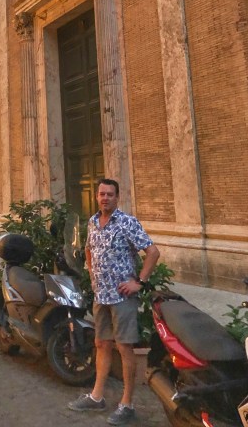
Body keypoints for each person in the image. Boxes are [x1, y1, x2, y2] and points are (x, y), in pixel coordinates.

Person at [68, 179, 160, 425]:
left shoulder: (127, 222)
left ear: (117, 197)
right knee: (101, 343)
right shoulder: (92, 222)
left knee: (125, 347)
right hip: (101, 296)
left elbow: (153, 252)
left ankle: (127, 404)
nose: (105, 198)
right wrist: (91, 271)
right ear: (97, 197)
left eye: (110, 194)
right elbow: (88, 248)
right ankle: (97, 396)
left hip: (122, 297)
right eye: (101, 194)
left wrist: (139, 282)